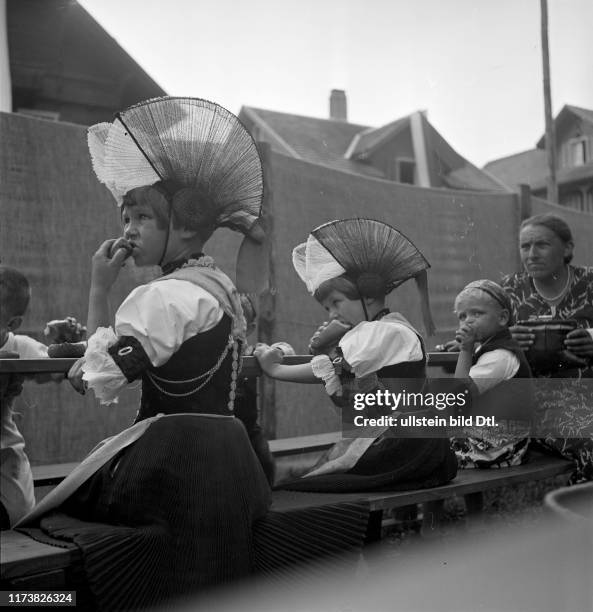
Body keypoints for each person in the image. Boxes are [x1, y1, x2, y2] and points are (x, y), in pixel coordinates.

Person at [17, 98, 272, 610]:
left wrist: (97, 287)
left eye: (142, 218)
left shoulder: (161, 297)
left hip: (170, 471)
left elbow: (95, 380)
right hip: (230, 468)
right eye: (126, 216)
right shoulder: (217, 287)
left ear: (182, 227)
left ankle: (32, 600)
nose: (128, 229)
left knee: (51, 519)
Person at [254, 218, 457, 492]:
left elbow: (331, 370)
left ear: (369, 296)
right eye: (327, 308)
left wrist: (275, 370)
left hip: (405, 444)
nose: (332, 313)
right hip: (412, 441)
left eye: (337, 303)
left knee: (303, 490)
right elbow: (344, 398)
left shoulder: (382, 333)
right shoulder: (380, 333)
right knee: (313, 483)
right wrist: (327, 349)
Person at [501, 212, 593, 482]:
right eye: (525, 246)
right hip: (542, 402)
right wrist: (507, 342)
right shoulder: (509, 291)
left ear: (567, 248)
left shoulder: (589, 283)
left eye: (542, 244)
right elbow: (478, 341)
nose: (532, 254)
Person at [450, 279, 534, 469]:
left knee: (429, 449)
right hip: (495, 439)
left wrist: (465, 349)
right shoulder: (490, 348)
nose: (468, 320)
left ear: (503, 318)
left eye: (477, 313)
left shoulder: (500, 356)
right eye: (462, 316)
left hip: (499, 447)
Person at [0, 266, 49, 528]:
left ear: (11, 324)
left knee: (16, 515)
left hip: (5, 463)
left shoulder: (19, 346)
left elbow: (53, 368)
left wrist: (69, 341)